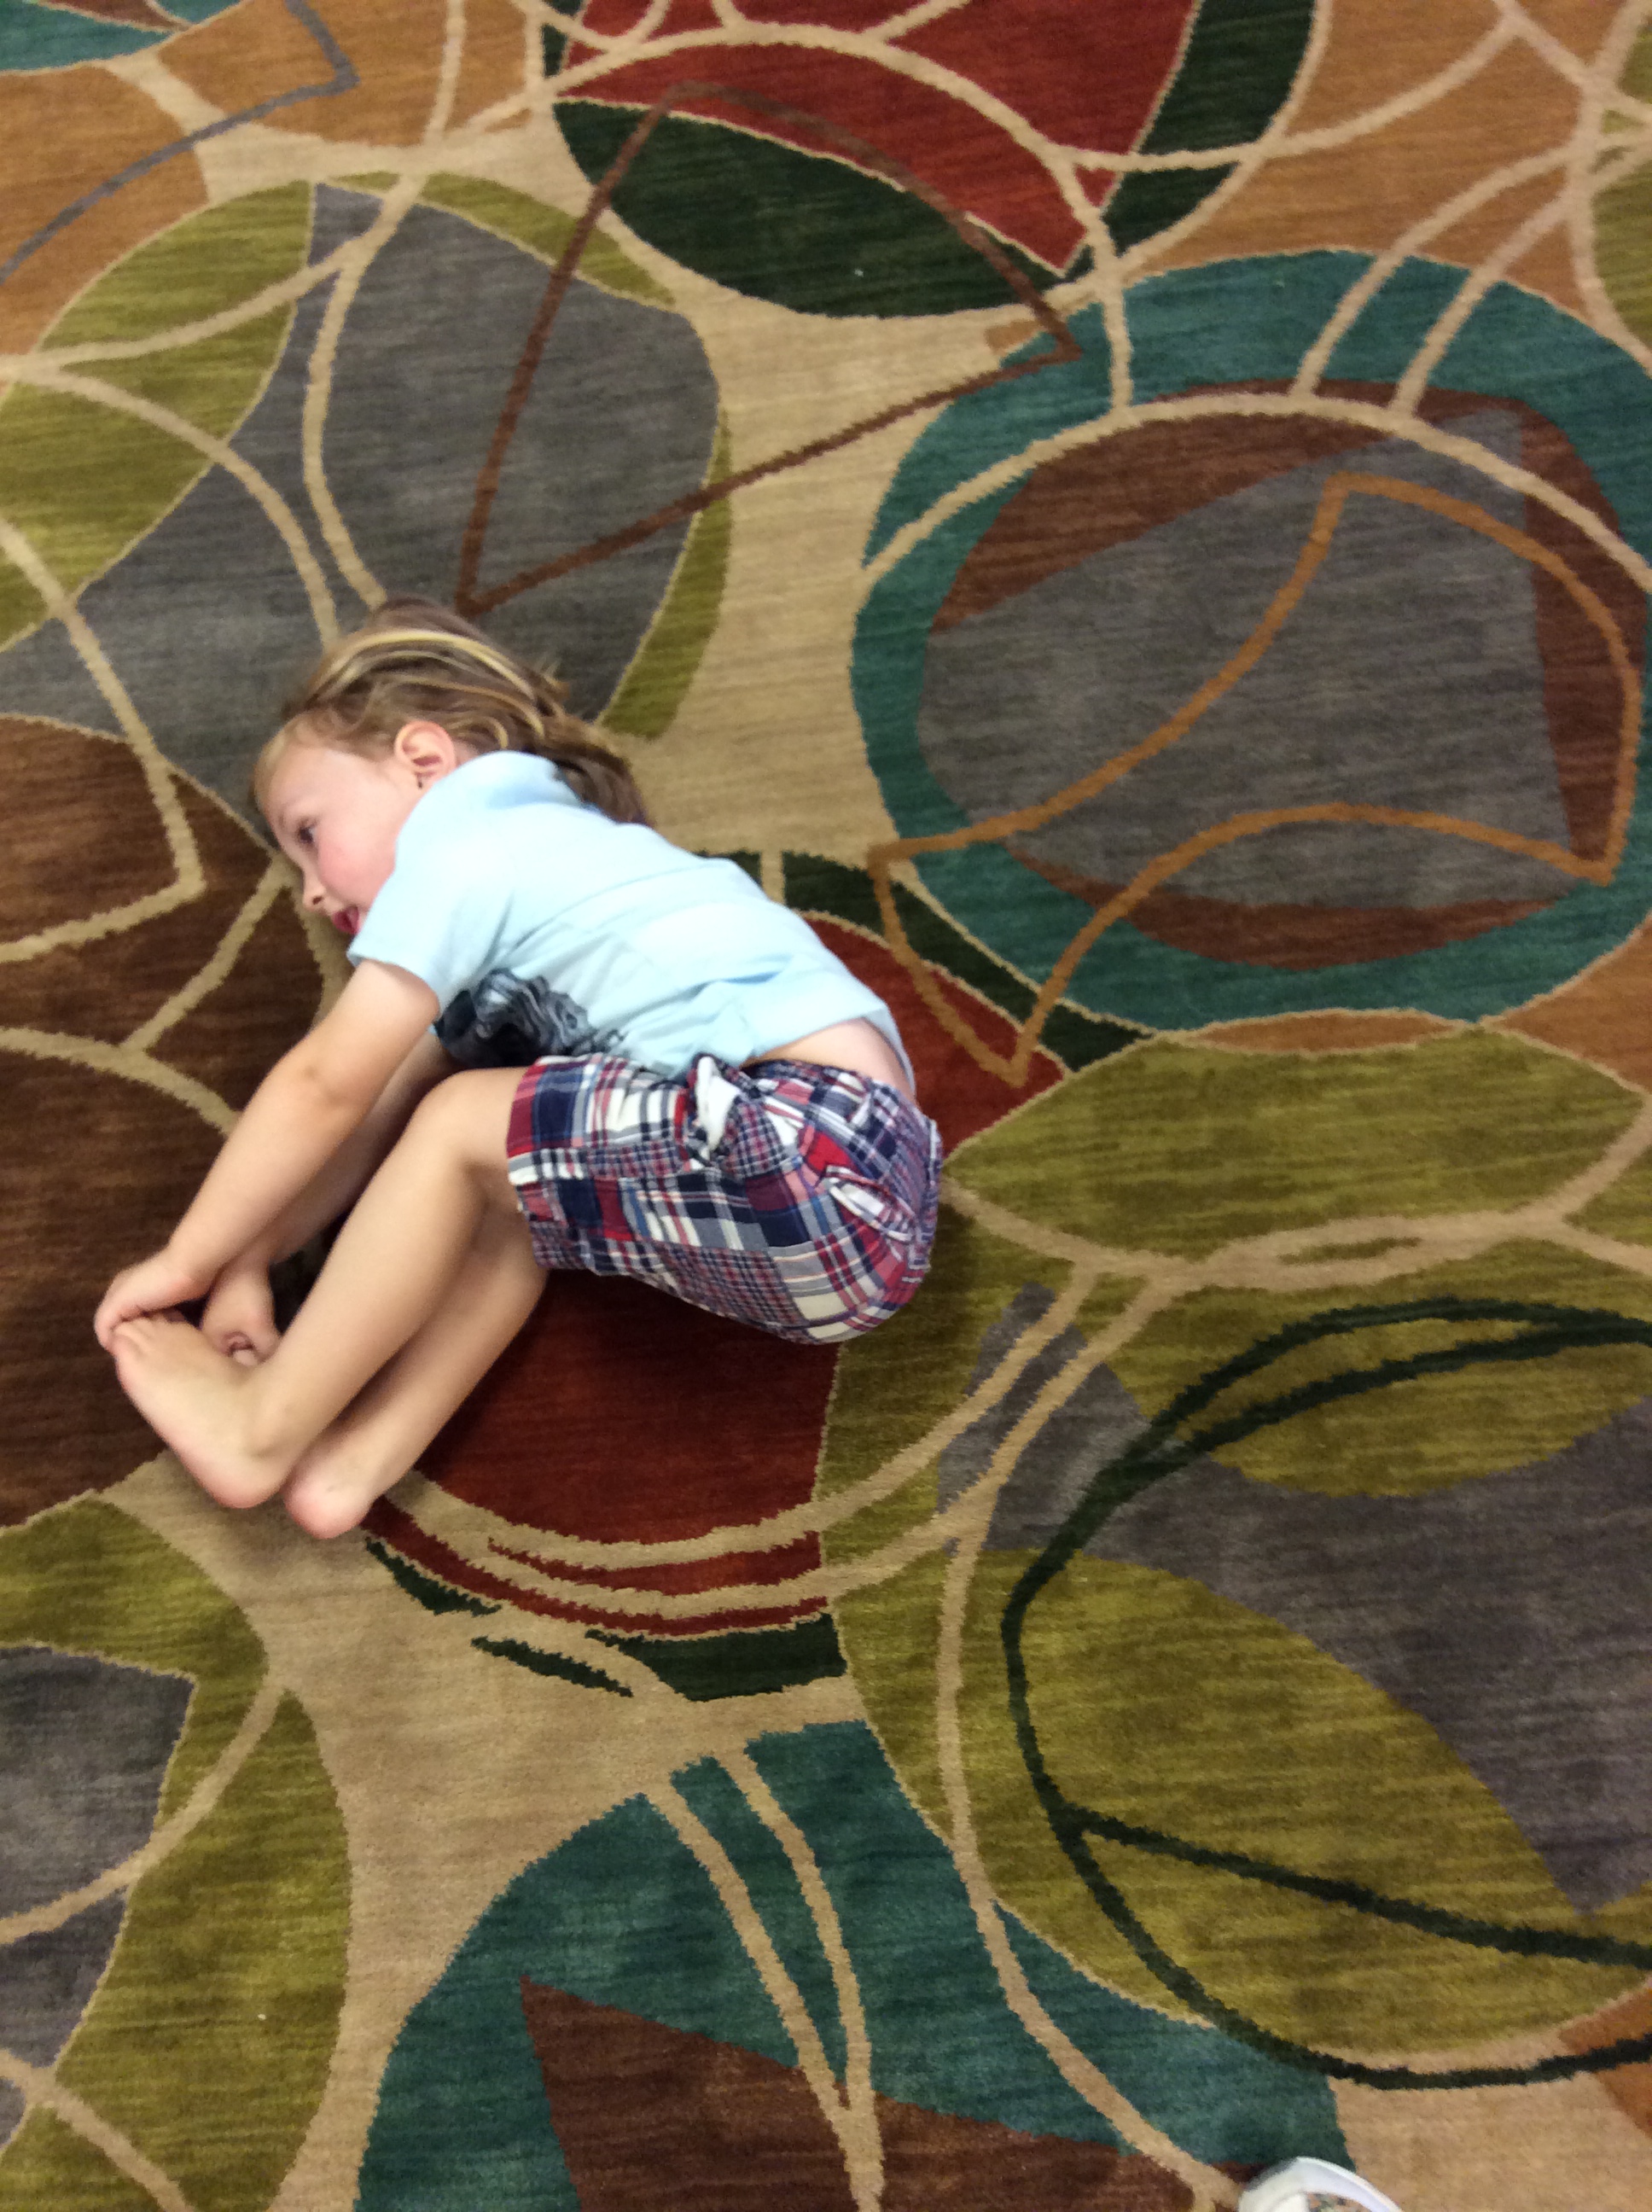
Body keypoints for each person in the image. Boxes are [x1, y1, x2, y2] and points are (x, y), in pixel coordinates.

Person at [94, 599, 941, 1538]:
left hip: (811, 1138)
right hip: (862, 1233)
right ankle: (346, 1468)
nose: (312, 891)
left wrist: (186, 1261)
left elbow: (327, 1085)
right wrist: (250, 1260)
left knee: (462, 1124)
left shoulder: (473, 834)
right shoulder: (526, 913)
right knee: (508, 1200)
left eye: (308, 832)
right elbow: (374, 1113)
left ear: (424, 760)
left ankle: (260, 1427)